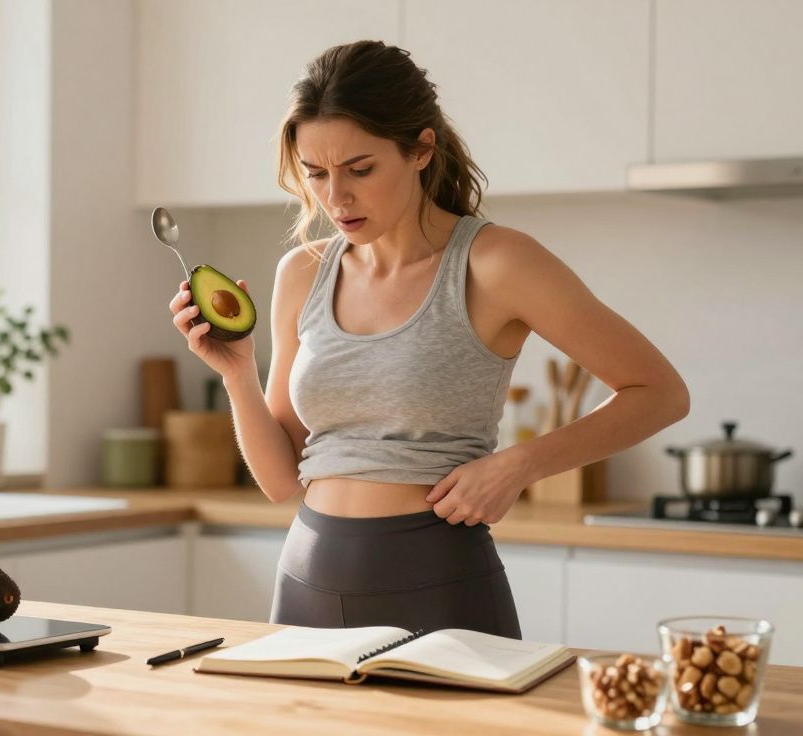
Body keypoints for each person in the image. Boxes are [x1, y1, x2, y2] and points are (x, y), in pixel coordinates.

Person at [167, 40, 689, 636]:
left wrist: (521, 465)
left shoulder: (495, 263)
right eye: (316, 174)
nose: (335, 198)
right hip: (306, 579)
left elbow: (660, 391)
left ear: (420, 149)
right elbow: (282, 480)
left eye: (360, 170)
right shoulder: (303, 273)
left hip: (437, 581)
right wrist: (237, 372)